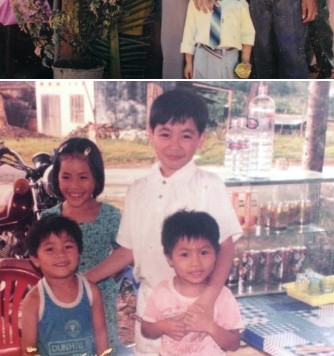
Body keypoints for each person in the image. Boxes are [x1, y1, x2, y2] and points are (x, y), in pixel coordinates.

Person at [86, 88, 242, 356]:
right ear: (151, 134)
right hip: (154, 312)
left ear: (201, 139)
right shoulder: (138, 189)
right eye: (165, 134)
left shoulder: (209, 185)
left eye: (186, 135)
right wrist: (83, 279)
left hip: (199, 309)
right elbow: (128, 251)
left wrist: (208, 300)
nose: (174, 145)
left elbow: (226, 247)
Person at [41, 138, 121, 353]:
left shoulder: (111, 216)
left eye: (83, 177)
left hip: (100, 302)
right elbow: (37, 257)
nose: (74, 186)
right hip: (58, 303)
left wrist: (101, 276)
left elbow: (125, 251)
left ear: (96, 178)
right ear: (56, 178)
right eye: (66, 177)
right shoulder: (49, 218)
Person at [141, 210, 242, 356]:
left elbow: (234, 344)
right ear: (169, 258)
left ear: (216, 254)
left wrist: (209, 326)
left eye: (204, 253)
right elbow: (146, 329)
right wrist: (162, 326)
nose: (196, 263)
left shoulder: (223, 296)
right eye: (185, 254)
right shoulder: (162, 291)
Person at [21, 215, 109, 356]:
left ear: (79, 252)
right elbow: (28, 350)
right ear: (35, 259)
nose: (61, 254)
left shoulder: (92, 292)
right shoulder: (34, 300)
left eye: (68, 246)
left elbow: (101, 333)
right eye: (50, 249)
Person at [181, 0, 255, 79]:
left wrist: (245, 60)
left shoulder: (240, 4)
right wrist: (188, 63)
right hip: (203, 55)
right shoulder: (196, 0)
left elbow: (248, 33)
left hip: (230, 58)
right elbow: (189, 32)